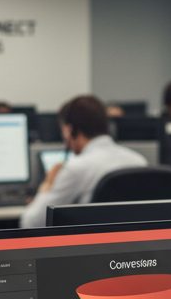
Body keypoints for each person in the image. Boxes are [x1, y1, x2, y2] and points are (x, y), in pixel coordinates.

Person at [19, 95, 146, 228]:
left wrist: (47, 186)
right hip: (133, 246)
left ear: (69, 130)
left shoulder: (76, 168)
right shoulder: (138, 161)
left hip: (91, 246)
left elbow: (31, 224)